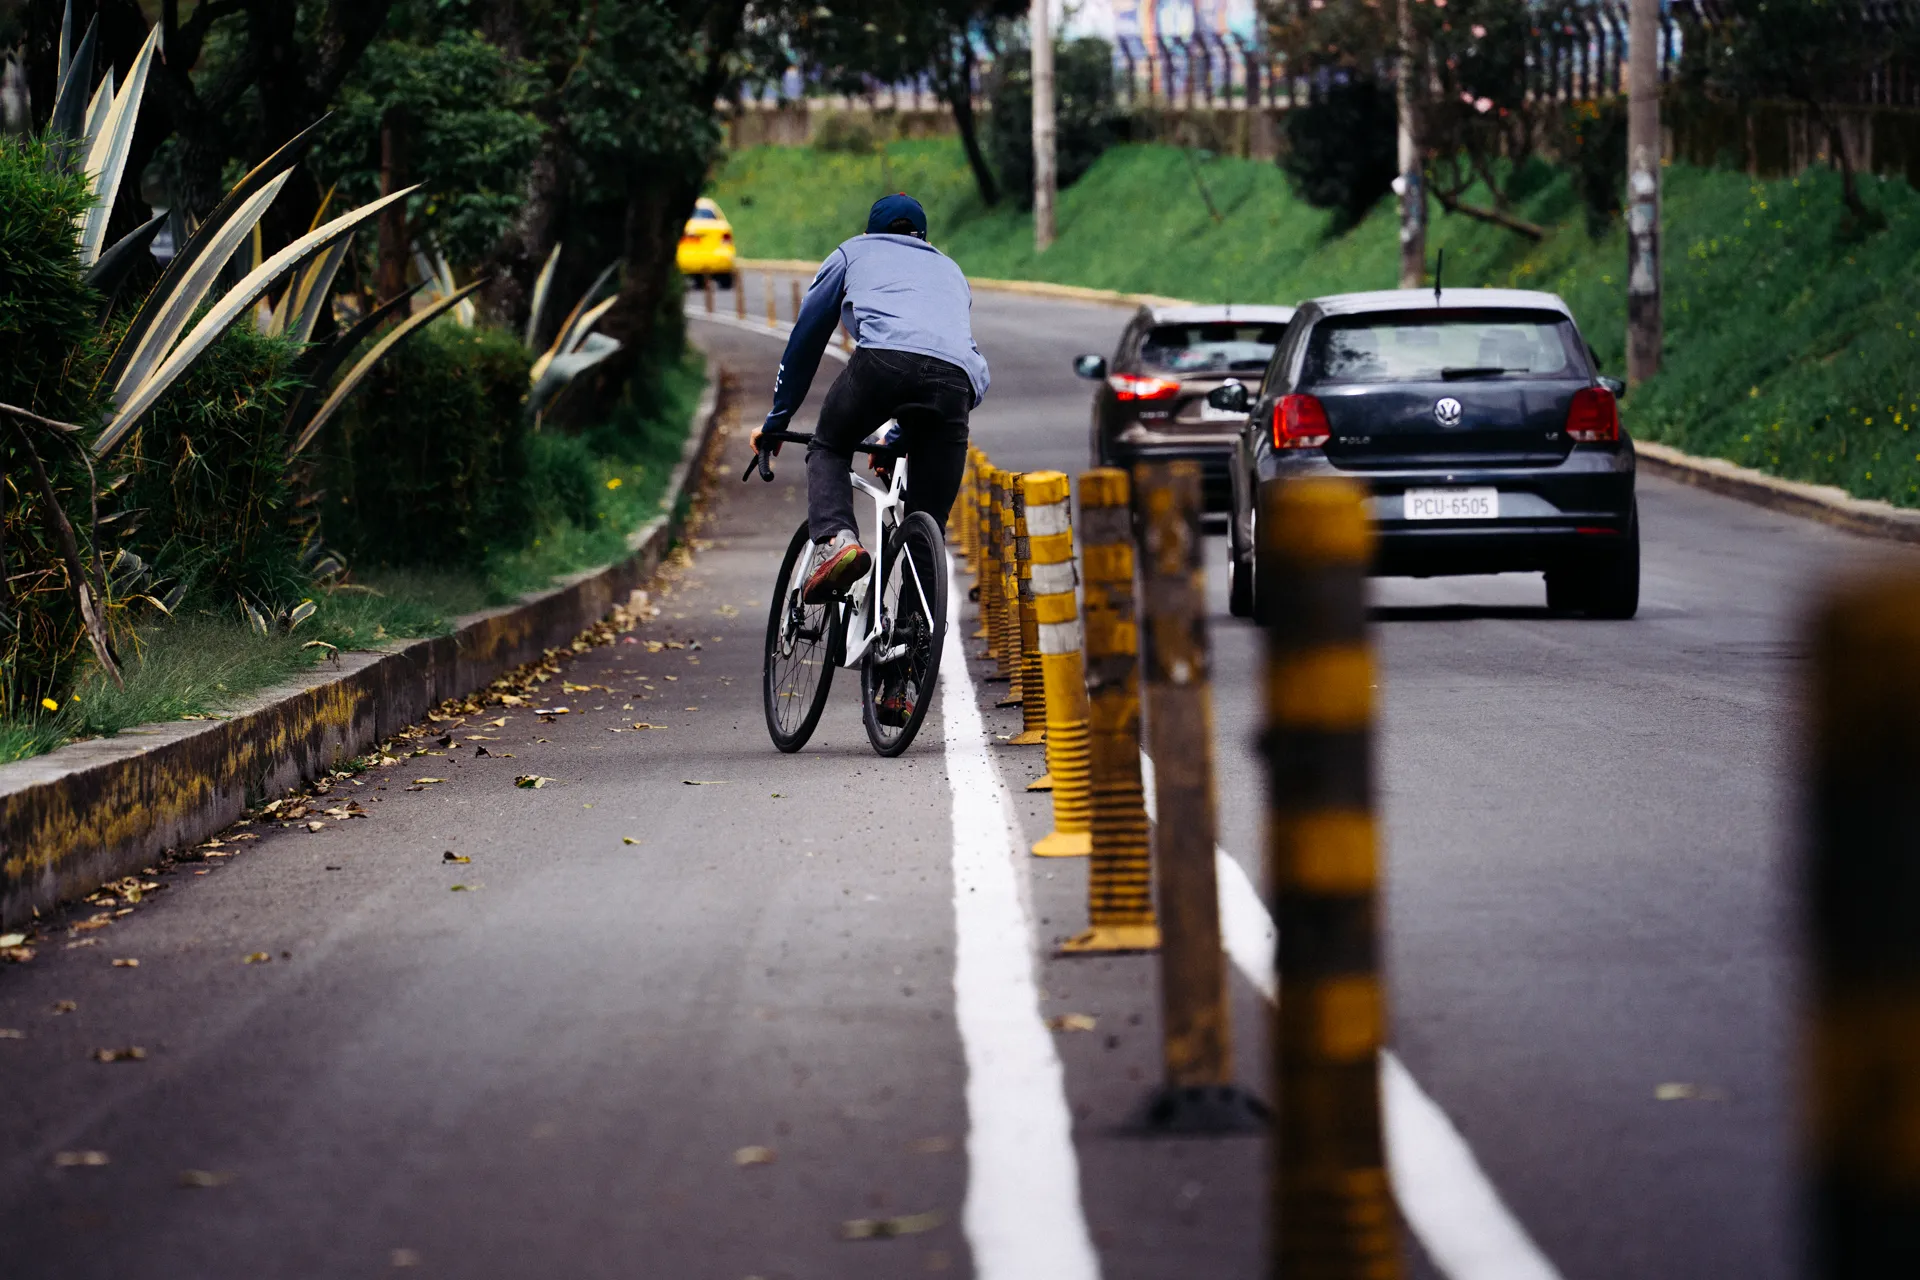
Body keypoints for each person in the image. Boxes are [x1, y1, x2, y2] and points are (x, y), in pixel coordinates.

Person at [750, 193, 990, 605]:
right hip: (958, 383)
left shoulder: (852, 252)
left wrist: (777, 422)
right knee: (928, 522)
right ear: (923, 238)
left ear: (870, 231)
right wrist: (896, 441)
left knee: (828, 445)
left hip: (882, 363)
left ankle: (837, 542)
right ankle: (914, 651)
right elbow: (932, 359)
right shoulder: (950, 270)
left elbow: (806, 342)